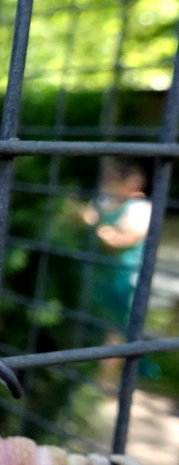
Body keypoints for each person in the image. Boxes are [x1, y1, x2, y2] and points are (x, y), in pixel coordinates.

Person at [80, 157, 153, 382]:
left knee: (116, 329)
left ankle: (104, 380)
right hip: (98, 273)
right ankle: (88, 376)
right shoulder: (106, 201)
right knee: (96, 324)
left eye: (111, 178)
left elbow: (123, 239)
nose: (105, 182)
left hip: (126, 275)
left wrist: (95, 227)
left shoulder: (140, 208)